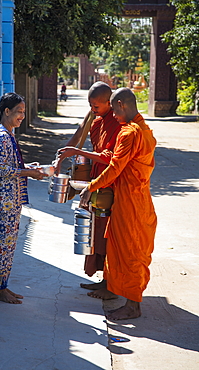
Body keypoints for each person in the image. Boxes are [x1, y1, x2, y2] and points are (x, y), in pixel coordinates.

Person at [80, 87, 157, 320]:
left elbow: (115, 168)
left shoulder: (130, 133)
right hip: (134, 199)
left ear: (122, 104)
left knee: (131, 251)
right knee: (117, 247)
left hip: (131, 202)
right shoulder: (142, 129)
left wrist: (90, 186)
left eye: (113, 109)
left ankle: (133, 305)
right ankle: (114, 287)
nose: (112, 115)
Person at [56, 81, 121, 296]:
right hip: (95, 178)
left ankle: (112, 284)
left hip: (109, 182)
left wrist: (78, 152)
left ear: (109, 104)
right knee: (95, 230)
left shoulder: (117, 120)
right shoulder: (95, 117)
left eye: (96, 106)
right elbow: (79, 135)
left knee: (107, 234)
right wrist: (65, 152)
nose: (93, 110)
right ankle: (104, 279)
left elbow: (110, 157)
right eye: (90, 105)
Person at [0, 92, 47, 304]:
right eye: (19, 112)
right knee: (3, 246)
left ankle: (3, 286)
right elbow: (0, 169)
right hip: (4, 202)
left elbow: (9, 166)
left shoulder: (7, 134)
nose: (22, 116)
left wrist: (27, 168)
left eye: (24, 112)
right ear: (6, 111)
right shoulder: (2, 136)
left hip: (10, 201)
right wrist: (29, 173)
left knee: (8, 246)